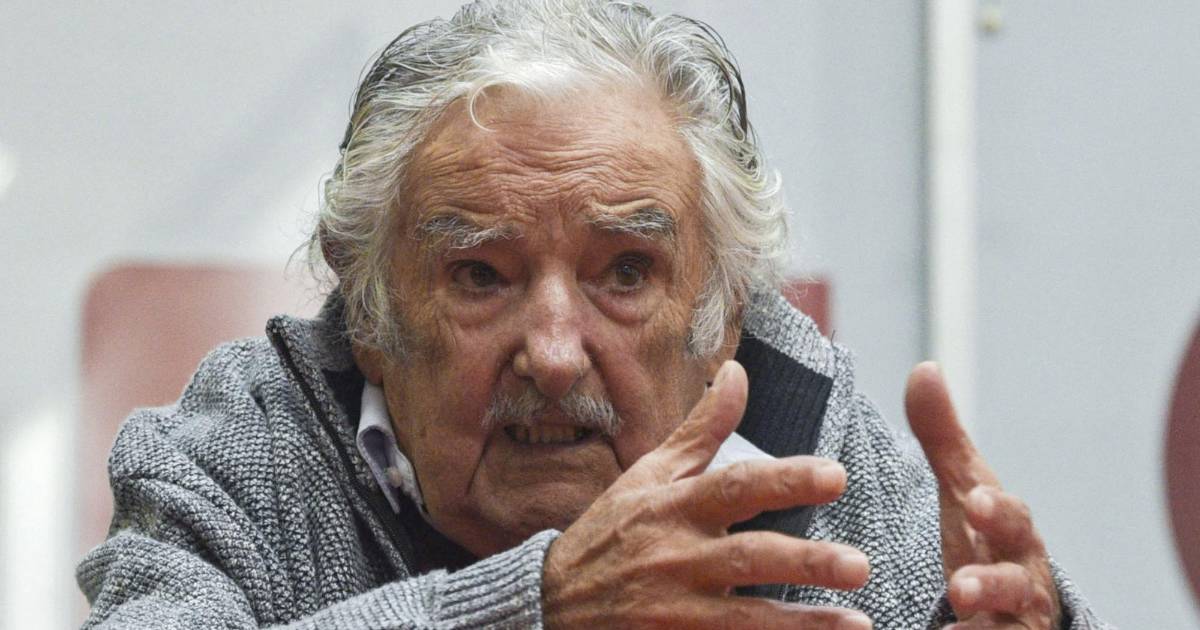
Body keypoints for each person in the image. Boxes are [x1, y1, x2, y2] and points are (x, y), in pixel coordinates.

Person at [76, 1, 1110, 628]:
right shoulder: (245, 453)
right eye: (481, 276)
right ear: (371, 315)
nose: (556, 354)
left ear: (720, 313)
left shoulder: (811, 451)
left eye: (624, 272)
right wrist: (538, 608)